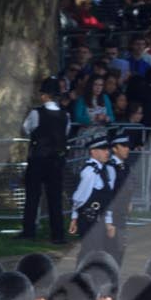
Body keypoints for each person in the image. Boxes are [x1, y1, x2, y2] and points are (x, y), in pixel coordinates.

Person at [19, 78, 69, 243]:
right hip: (56, 161)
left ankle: (29, 231)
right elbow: (65, 133)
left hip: (38, 159)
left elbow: (26, 129)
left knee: (32, 196)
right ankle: (58, 234)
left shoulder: (36, 113)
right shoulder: (65, 115)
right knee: (55, 198)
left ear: (45, 95)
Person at [67, 135, 118, 244]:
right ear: (93, 152)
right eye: (103, 149)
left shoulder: (106, 170)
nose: (107, 152)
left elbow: (106, 199)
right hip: (89, 220)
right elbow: (79, 198)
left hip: (100, 219)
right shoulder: (90, 172)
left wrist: (108, 223)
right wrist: (75, 218)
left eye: (107, 149)